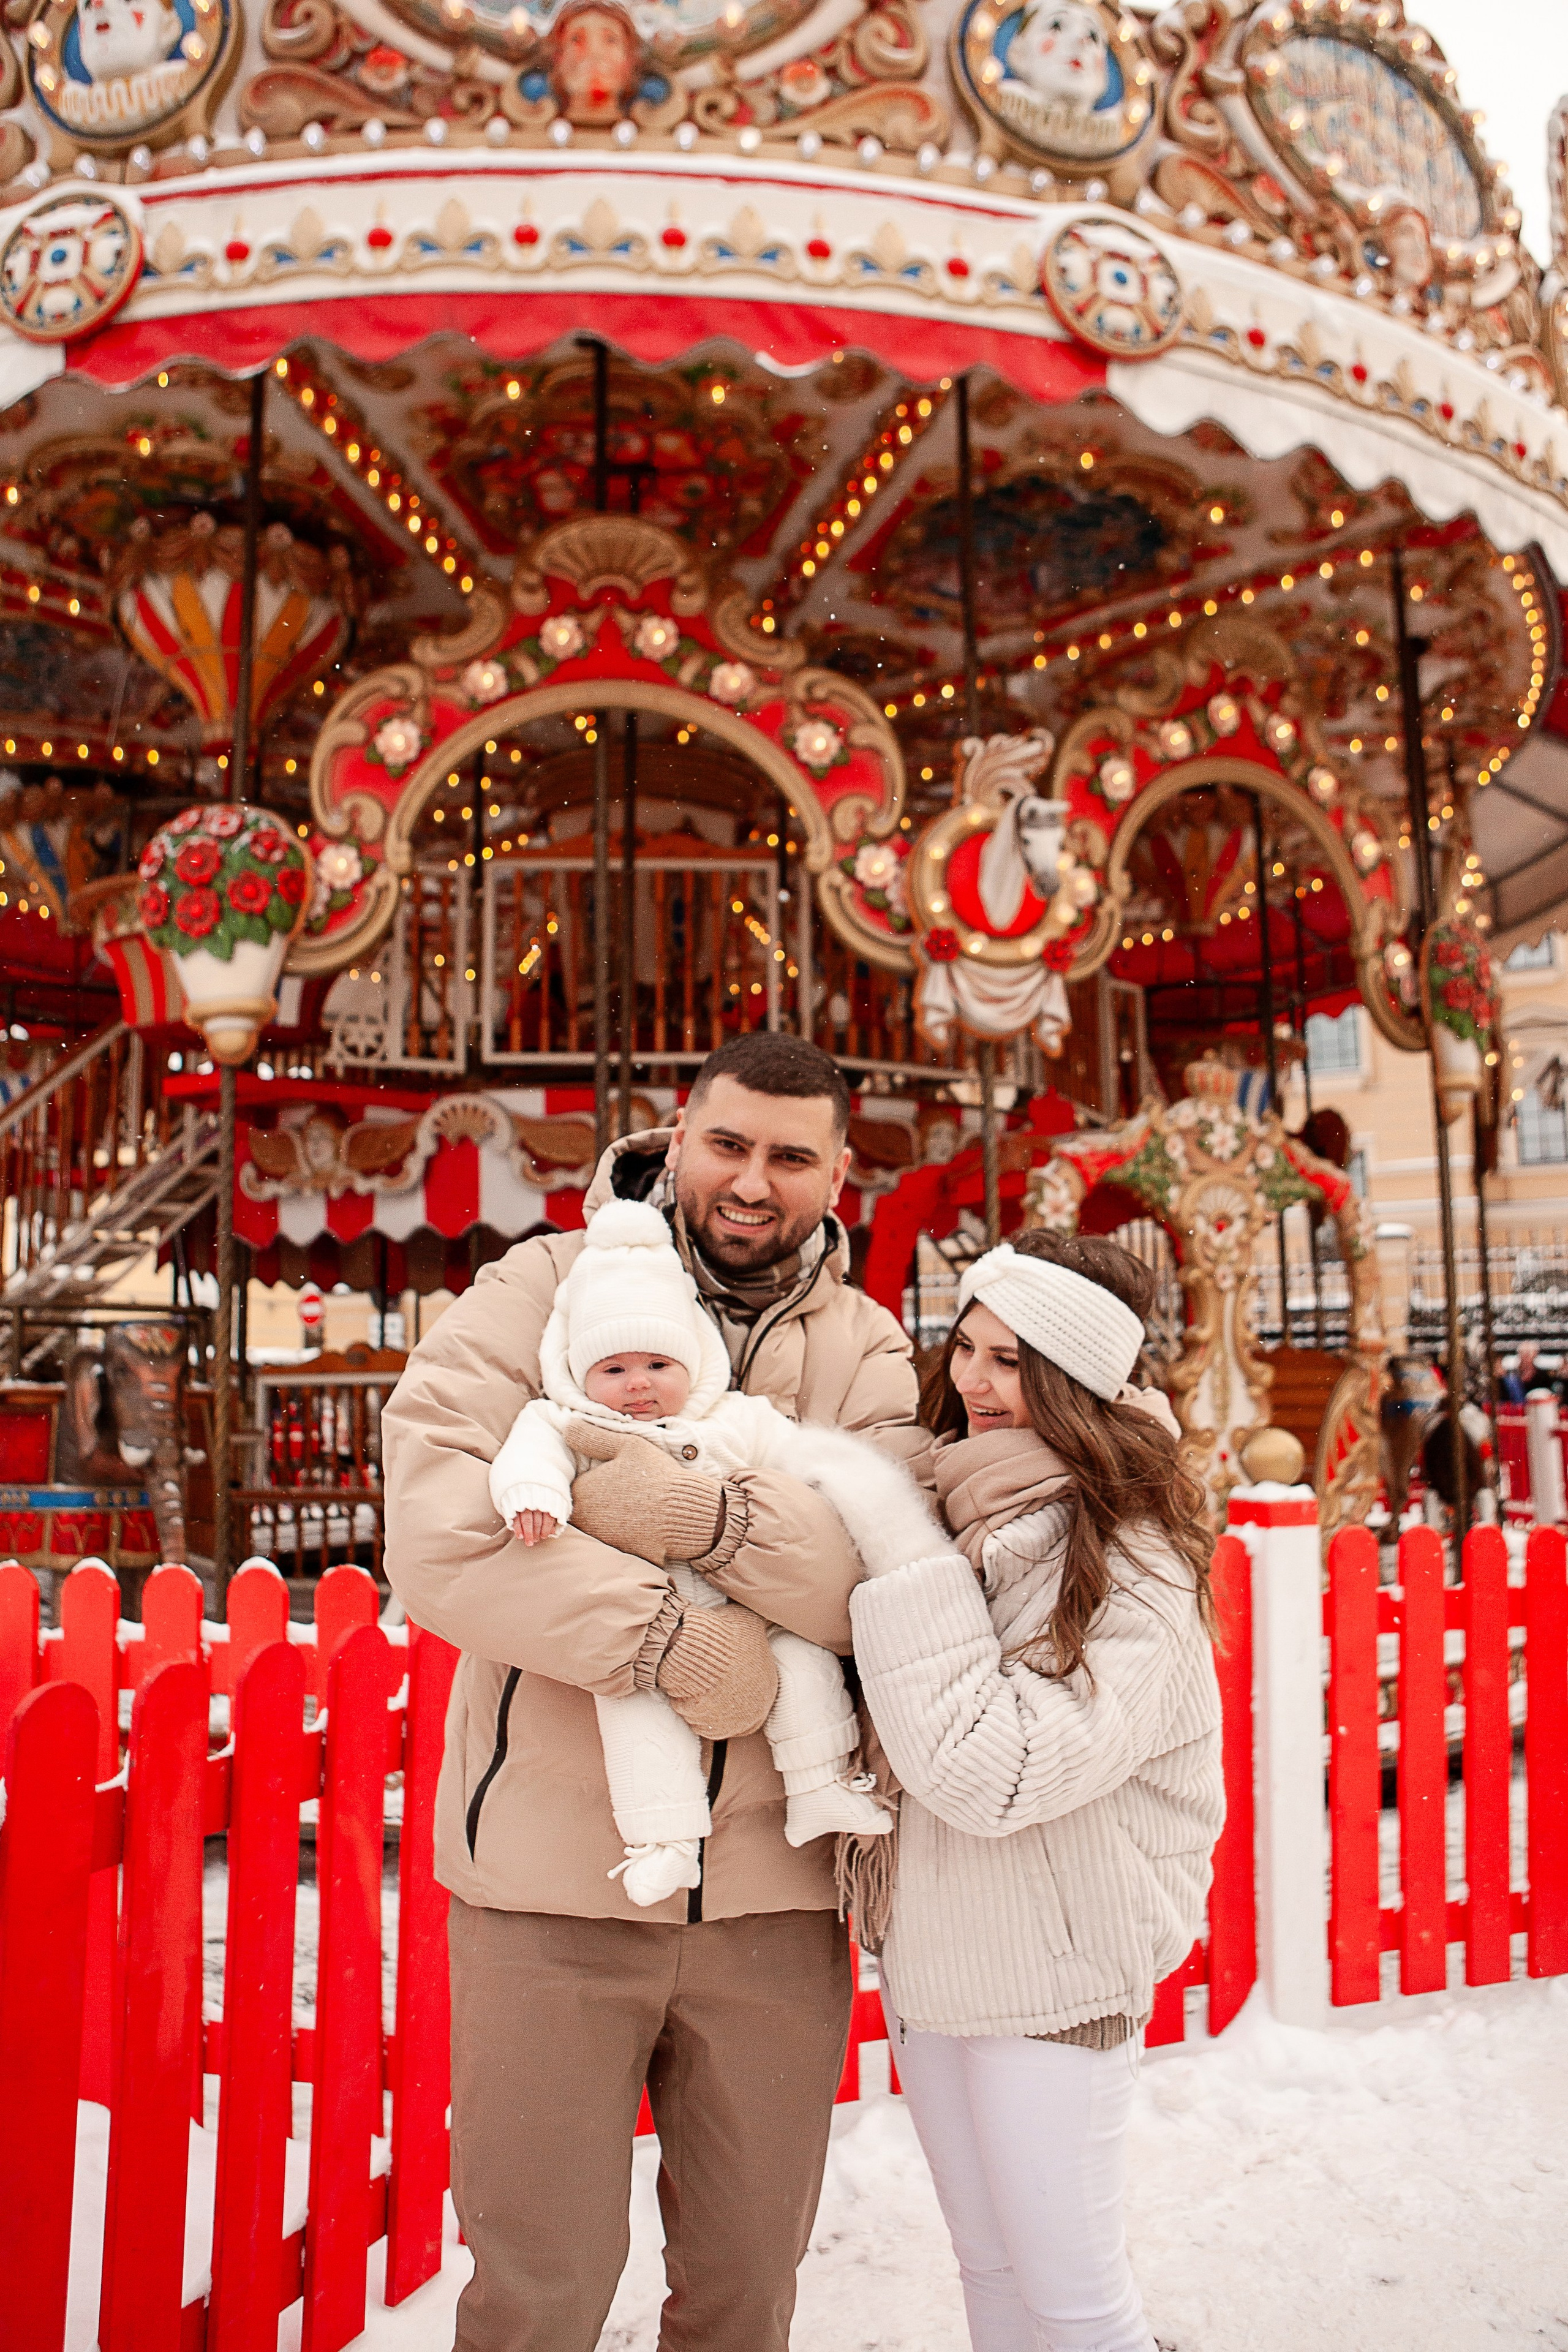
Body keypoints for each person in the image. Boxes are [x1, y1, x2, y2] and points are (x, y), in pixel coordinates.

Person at [381, 1031, 922, 2352]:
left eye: (790, 1158)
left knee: (746, 2291)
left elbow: (889, 1575)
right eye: (728, 1144)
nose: (752, 1181)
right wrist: (663, 1637)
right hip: (548, 1889)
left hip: (777, 1899)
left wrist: (688, 1516)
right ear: (676, 1135)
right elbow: (440, 1523)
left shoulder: (865, 1345)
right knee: (535, 2289)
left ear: (837, 1174)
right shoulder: (542, 1288)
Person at [847, 1229, 1224, 2352]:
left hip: (1055, 1979)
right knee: (993, 2274)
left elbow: (997, 1772)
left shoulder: (1133, 1555)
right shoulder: (966, 1504)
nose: (973, 1379)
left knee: (1075, 2305)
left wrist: (901, 1565)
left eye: (1014, 1360)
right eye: (967, 1346)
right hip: (936, 1961)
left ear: (1077, 1379)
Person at [488, 1194, 933, 1902]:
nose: (637, 1384)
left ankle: (819, 1780)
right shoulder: (562, 1420)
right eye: (613, 1369)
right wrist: (533, 1497)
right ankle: (663, 1839)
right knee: (635, 1713)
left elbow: (806, 1462)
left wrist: (825, 1499)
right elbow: (525, 1457)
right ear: (580, 1375)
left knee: (805, 1663)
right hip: (641, 1613)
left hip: (747, 1597)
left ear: (692, 1362)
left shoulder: (733, 1418)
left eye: (657, 1363)